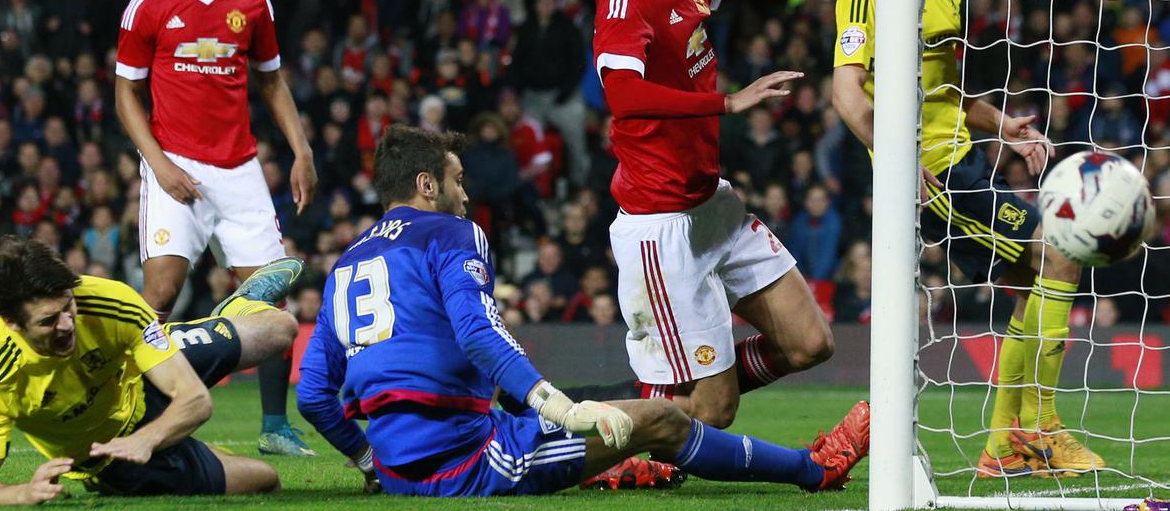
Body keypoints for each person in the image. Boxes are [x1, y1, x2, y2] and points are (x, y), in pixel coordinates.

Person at [297, 125, 870, 496]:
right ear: (427, 185)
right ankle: (813, 469)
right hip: (468, 460)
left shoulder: (346, 262)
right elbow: (478, 333)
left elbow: (314, 394)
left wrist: (372, 461)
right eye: (457, 181)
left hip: (409, 462)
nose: (466, 195)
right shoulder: (451, 233)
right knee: (665, 420)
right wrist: (559, 407)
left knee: (604, 416)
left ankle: (627, 465)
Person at [571, 0, 876, 428]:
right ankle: (570, 422)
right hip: (662, 224)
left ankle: (661, 410)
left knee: (809, 343)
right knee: (714, 413)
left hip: (711, 204)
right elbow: (624, 97)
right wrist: (728, 102)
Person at [831, 0, 1096, 477]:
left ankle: (1008, 444)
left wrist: (1005, 126)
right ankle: (1041, 430)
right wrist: (893, 161)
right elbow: (847, 90)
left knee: (1043, 272)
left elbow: (948, 92)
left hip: (968, 158)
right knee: (1060, 249)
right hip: (928, 173)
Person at [114, 0, 318, 456]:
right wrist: (159, 165)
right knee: (159, 294)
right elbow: (124, 94)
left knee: (270, 302)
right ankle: (125, 407)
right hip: (173, 164)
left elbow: (273, 82)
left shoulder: (251, 2)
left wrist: (301, 150)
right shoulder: (148, 6)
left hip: (240, 169)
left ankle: (276, 427)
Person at [0, 238, 302, 504]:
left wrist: (146, 439)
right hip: (109, 457)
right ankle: (187, 448)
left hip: (144, 373)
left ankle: (234, 309)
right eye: (48, 320)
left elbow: (195, 400)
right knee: (266, 479)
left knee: (281, 328)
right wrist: (24, 492)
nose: (67, 325)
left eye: (67, 307)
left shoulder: (107, 300)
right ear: (12, 322)